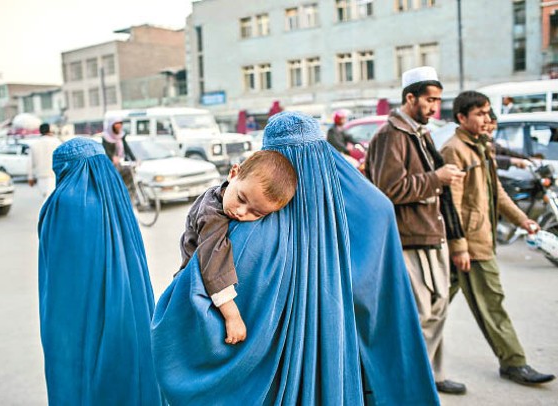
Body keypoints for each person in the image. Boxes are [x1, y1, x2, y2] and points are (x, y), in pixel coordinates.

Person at [152, 111, 439, 405]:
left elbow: (189, 304)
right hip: (338, 349)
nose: (244, 211)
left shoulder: (248, 235)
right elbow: (379, 215)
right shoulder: (352, 209)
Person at [440, 90, 555, 386]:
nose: (486, 119)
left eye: (488, 113)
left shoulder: (481, 146)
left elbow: (497, 193)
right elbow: (449, 203)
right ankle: (514, 362)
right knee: (489, 304)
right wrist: (460, 246)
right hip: (469, 246)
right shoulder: (455, 149)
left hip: (478, 239)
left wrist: (523, 219)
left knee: (431, 310)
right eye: (479, 114)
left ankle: (404, 359)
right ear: (461, 118)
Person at [365, 66, 467, 395]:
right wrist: (437, 179)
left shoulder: (420, 133)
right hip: (407, 239)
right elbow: (387, 189)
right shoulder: (391, 135)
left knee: (437, 310)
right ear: (410, 98)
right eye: (429, 100)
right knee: (419, 315)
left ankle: (429, 376)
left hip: (429, 234)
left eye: (438, 100)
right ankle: (403, 382)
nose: (435, 107)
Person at [38, 137, 163, 405]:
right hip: (129, 314)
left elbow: (62, 289)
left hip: (82, 325)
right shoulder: (116, 197)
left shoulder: (65, 204)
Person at [179, 150, 297, 345]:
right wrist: (232, 316)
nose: (241, 212)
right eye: (241, 199)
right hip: (193, 286)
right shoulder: (211, 214)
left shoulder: (231, 197)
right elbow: (213, 261)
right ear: (233, 173)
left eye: (256, 213)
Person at [101, 117, 137, 202]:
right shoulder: (106, 137)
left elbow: (127, 149)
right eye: (116, 124)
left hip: (121, 162)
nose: (118, 126)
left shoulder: (121, 135)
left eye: (120, 124)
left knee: (130, 174)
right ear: (112, 126)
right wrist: (112, 157)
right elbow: (105, 151)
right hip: (111, 164)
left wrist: (134, 159)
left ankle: (130, 199)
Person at [27, 123, 61, 199]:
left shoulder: (34, 144)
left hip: (41, 176)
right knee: (51, 199)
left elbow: (30, 162)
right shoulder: (57, 142)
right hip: (54, 175)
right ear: (49, 130)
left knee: (46, 197)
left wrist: (30, 177)